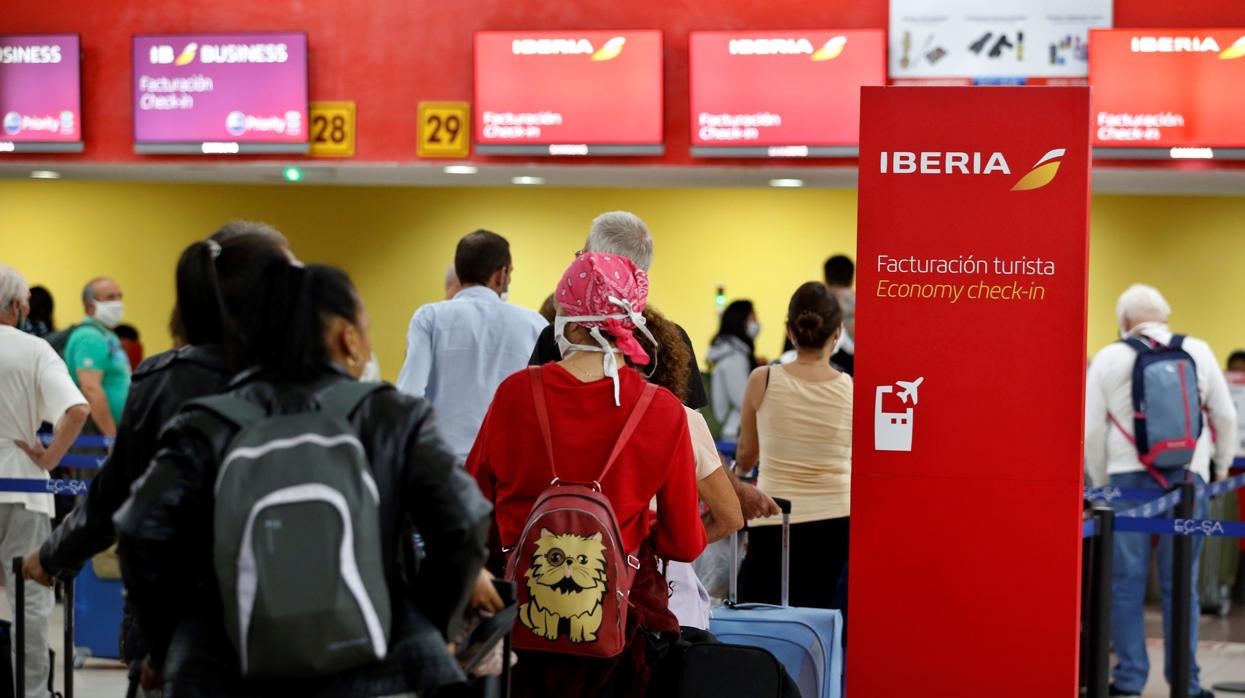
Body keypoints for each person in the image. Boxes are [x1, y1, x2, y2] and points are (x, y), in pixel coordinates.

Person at [115, 258, 494, 698]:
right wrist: (432, 620)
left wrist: (164, 646)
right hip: (375, 664)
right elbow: (465, 521)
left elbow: (139, 529)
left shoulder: (204, 423)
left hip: (223, 665)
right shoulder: (394, 416)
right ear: (344, 336)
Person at [24, 226, 291, 696]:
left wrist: (50, 557)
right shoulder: (310, 382)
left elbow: (115, 496)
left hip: (182, 624)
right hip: (291, 620)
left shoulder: (167, 381)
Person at [467, 252, 706, 696]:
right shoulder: (663, 410)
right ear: (629, 326)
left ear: (569, 323)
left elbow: (470, 505)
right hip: (620, 635)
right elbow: (684, 544)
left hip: (522, 630)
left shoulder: (515, 394)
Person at [1085, 284, 1237, 698]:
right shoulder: (1199, 350)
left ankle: (1130, 679)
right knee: (1181, 581)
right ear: (1164, 316)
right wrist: (1218, 466)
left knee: (1124, 582)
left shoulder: (1109, 358)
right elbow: (1224, 415)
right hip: (1188, 479)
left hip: (1127, 480)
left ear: (1125, 323)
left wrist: (1100, 487)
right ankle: (1185, 683)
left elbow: (1092, 432)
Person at [0, 264, 89, 697]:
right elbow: (77, 409)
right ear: (16, 306)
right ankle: (30, 693)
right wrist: (51, 456)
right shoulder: (34, 349)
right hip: (22, 487)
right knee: (29, 604)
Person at [736, 282, 852, 609]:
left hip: (774, 517)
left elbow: (747, 452)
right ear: (838, 332)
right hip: (837, 523)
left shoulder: (764, 379)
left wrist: (739, 474)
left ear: (789, 330)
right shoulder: (851, 389)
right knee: (822, 621)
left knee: (764, 620)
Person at [528, 211, 710, 411]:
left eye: (582, 257)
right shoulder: (673, 341)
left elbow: (532, 410)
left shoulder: (559, 336)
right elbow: (692, 421)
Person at [396, 229, 546, 460]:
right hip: (508, 463)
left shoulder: (429, 318)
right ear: (501, 274)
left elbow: (409, 394)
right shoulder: (533, 325)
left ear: (458, 271)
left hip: (442, 463)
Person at [641, 306, 743, 632]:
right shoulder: (684, 418)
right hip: (664, 582)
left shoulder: (592, 410)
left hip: (593, 569)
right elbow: (729, 516)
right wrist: (678, 543)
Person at [63, 276, 131, 438]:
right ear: (90, 306)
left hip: (108, 429)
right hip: (97, 432)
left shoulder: (106, 335)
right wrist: (111, 436)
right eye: (110, 298)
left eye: (119, 296)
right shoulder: (90, 337)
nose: (118, 302)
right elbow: (90, 389)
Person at [707, 299, 758, 443]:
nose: (757, 323)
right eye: (753, 317)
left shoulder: (727, 352)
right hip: (732, 434)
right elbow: (743, 400)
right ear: (741, 321)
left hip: (731, 431)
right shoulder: (734, 357)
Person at [824, 255, 856, 375]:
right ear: (851, 277)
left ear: (826, 276)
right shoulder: (864, 302)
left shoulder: (814, 301)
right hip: (854, 367)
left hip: (823, 364)